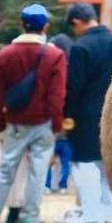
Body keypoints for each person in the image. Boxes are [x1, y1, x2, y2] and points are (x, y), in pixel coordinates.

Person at [0, 3, 66, 223]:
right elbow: (56, 95)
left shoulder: (5, 54)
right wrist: (56, 124)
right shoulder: (55, 55)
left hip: (15, 122)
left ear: (21, 24)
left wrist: (1, 123)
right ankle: (31, 220)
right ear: (46, 26)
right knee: (37, 172)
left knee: (5, 170)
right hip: (43, 123)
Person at [58, 1, 112, 223]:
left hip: (85, 114)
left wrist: (67, 116)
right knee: (109, 167)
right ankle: (111, 216)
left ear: (76, 22)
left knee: (84, 165)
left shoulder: (80, 47)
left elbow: (73, 87)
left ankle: (91, 217)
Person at [46, 32, 72, 193]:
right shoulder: (72, 69)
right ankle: (62, 186)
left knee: (49, 159)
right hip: (68, 126)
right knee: (65, 161)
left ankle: (48, 185)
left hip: (52, 123)